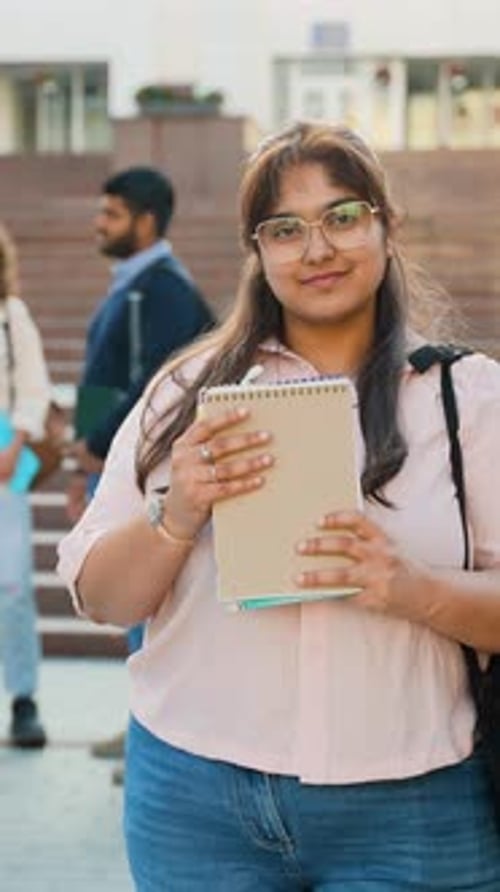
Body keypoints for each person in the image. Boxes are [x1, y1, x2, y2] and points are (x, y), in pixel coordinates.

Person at [57, 122, 500, 890]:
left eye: (343, 217)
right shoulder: (185, 396)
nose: (317, 249)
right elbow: (99, 596)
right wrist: (178, 514)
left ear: (385, 226)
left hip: (412, 806)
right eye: (285, 229)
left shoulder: (471, 400)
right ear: (257, 254)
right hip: (195, 799)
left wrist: (414, 589)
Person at [66, 166, 214, 762]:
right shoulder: (131, 285)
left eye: (112, 214)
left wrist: (97, 442)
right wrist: (83, 449)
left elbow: (157, 387)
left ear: (146, 221)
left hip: (145, 471)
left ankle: (158, 735)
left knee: (149, 606)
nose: (99, 224)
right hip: (112, 463)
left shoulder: (165, 290)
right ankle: (143, 726)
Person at [0, 223, 50, 748]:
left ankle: (23, 699)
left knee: (12, 588)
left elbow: (33, 387)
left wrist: (15, 444)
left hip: (2, 461)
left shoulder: (11, 316)